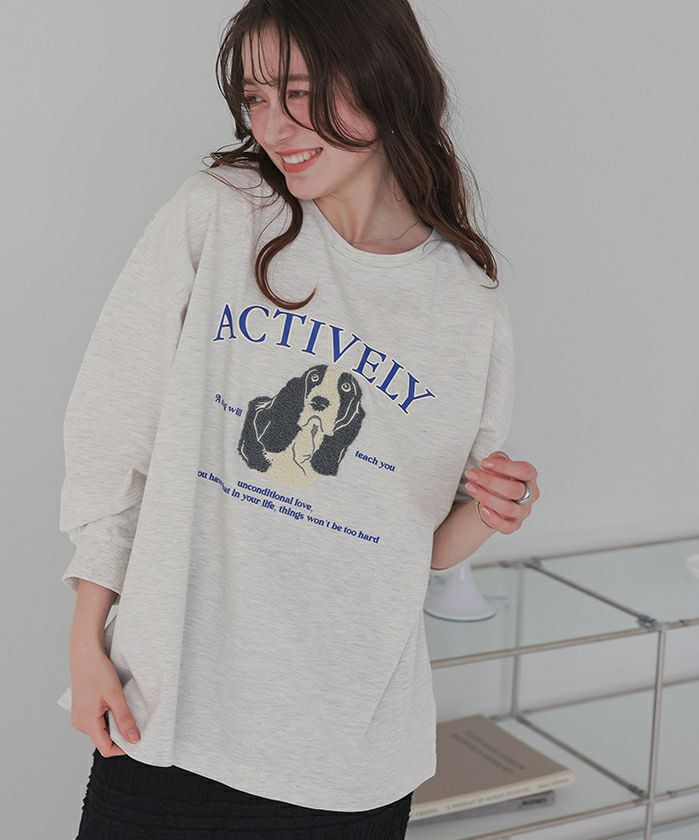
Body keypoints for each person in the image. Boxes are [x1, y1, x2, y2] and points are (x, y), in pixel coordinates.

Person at [57, 1, 540, 837]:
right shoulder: (221, 214)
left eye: (301, 92)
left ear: (385, 78)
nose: (273, 127)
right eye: (254, 98)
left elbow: (416, 545)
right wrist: (86, 640)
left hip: (349, 764)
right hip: (170, 725)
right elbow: (112, 428)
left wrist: (498, 509)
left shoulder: (465, 304)